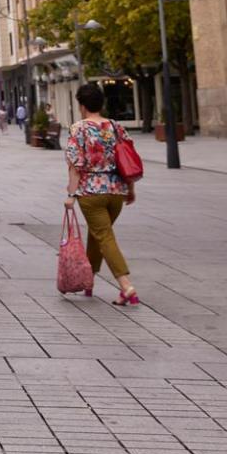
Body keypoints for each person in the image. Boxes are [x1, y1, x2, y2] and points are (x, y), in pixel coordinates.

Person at [64, 82, 140, 306]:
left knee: (104, 236)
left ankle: (126, 286)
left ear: (82, 105)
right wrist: (130, 188)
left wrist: (71, 195)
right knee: (98, 235)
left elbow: (75, 165)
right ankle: (89, 281)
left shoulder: (79, 129)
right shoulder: (115, 127)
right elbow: (126, 158)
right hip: (116, 191)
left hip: (91, 193)